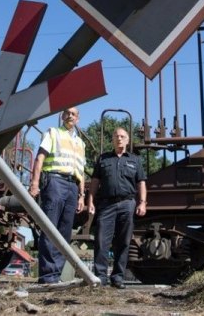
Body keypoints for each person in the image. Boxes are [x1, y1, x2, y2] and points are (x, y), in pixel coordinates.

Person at [29, 107, 86, 284]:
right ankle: (47, 276)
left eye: (74, 114)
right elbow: (40, 158)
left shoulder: (80, 143)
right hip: (54, 181)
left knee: (64, 232)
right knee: (50, 228)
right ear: (62, 116)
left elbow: (81, 171)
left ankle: (56, 275)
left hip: (72, 186)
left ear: (78, 119)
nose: (70, 115)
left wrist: (82, 195)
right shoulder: (53, 133)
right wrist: (35, 183)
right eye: (67, 113)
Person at [88, 127, 147, 289]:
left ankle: (118, 278)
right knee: (101, 241)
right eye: (116, 136)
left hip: (127, 204)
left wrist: (142, 202)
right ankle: (100, 277)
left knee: (124, 242)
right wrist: (91, 201)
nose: (119, 139)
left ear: (127, 140)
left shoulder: (135, 160)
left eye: (122, 136)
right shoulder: (103, 159)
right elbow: (94, 182)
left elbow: (141, 183)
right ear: (112, 140)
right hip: (106, 204)